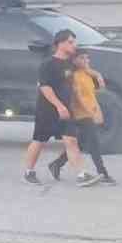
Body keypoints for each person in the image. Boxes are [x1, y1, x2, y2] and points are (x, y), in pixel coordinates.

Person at [24, 29, 100, 187]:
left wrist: (96, 76)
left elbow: (83, 69)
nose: (74, 46)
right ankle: (29, 172)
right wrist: (59, 106)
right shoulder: (48, 64)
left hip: (67, 109)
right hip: (48, 109)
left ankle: (81, 175)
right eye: (71, 42)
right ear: (60, 43)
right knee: (39, 141)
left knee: (71, 140)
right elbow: (45, 87)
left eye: (74, 42)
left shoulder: (70, 63)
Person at [48, 52, 114, 185]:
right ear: (74, 60)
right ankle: (103, 173)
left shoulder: (87, 74)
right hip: (80, 113)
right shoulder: (74, 76)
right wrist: (91, 112)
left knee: (82, 143)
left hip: (88, 112)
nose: (86, 60)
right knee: (93, 143)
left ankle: (56, 164)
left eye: (87, 57)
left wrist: (97, 75)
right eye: (81, 58)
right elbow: (79, 97)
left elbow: (99, 89)